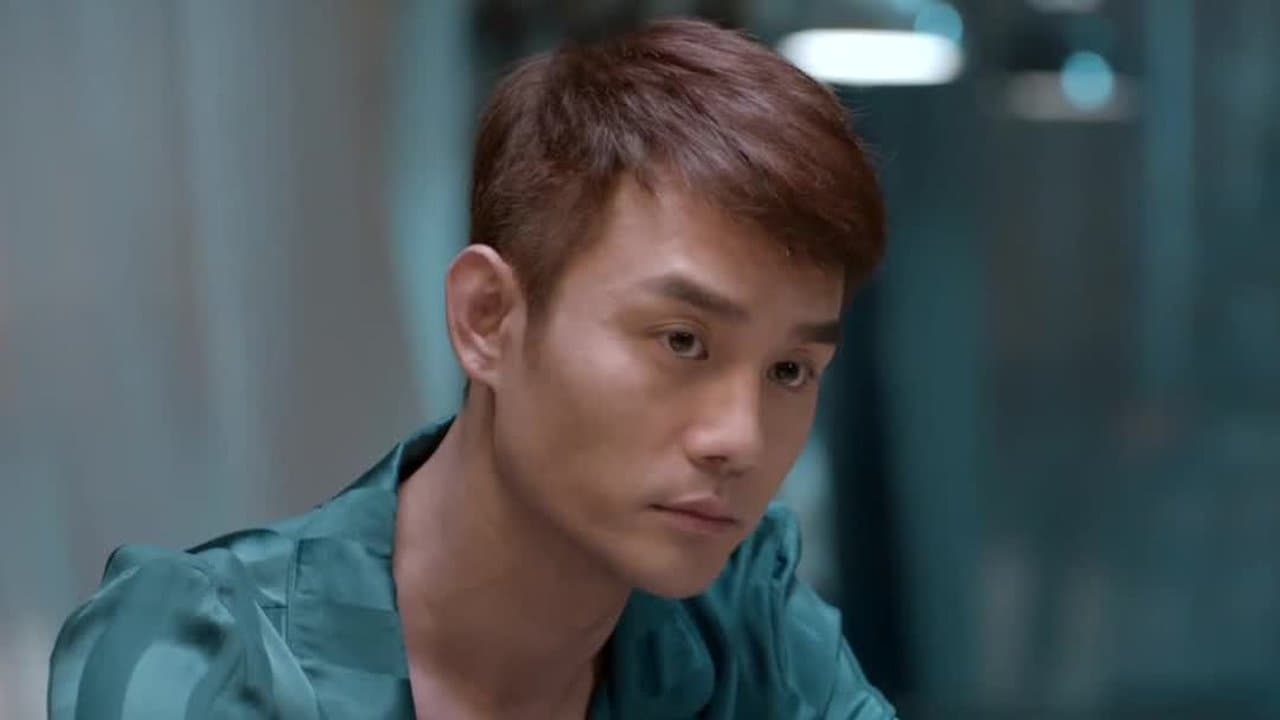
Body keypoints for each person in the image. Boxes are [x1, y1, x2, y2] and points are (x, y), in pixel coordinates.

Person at [48, 17, 892, 719]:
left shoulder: (741, 626)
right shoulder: (216, 651)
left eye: (790, 370)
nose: (740, 439)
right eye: (682, 341)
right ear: (487, 318)